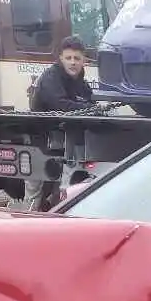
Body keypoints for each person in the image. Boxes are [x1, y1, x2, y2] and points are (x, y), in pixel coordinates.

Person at [26, 37, 95, 210]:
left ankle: (56, 212)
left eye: (77, 58)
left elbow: (90, 104)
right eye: (69, 58)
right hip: (41, 139)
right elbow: (61, 105)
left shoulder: (82, 84)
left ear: (84, 61)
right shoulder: (51, 77)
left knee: (64, 189)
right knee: (34, 189)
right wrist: (88, 108)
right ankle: (27, 220)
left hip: (68, 139)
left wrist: (93, 109)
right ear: (61, 58)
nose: (73, 62)